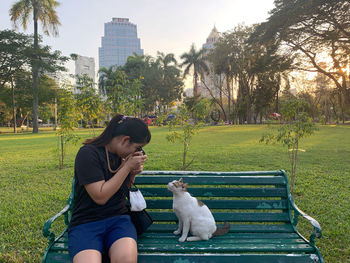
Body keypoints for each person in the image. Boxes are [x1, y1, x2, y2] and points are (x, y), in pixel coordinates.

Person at [68, 114, 151, 263]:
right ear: (125, 140)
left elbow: (120, 190)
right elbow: (100, 196)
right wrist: (126, 168)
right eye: (137, 147)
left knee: (125, 259)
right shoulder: (88, 154)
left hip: (118, 219)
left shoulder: (121, 156)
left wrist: (132, 174)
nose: (137, 152)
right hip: (86, 222)